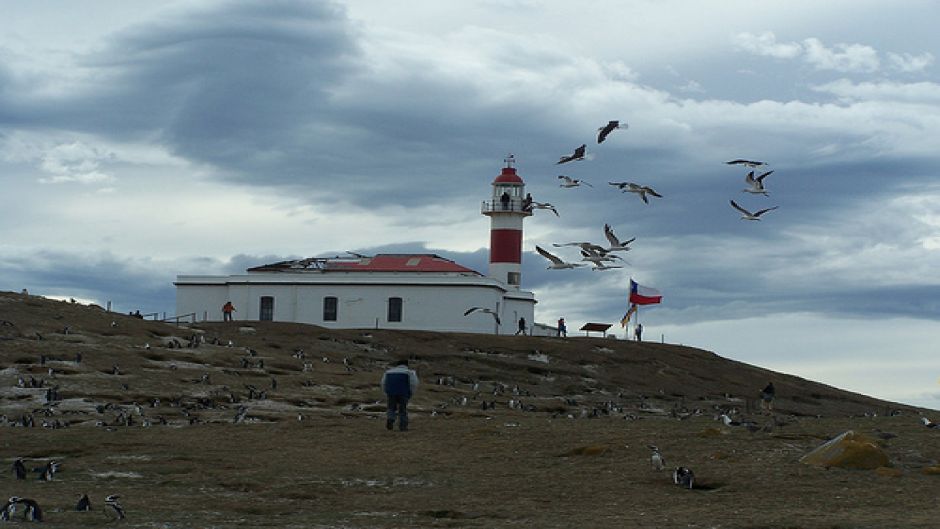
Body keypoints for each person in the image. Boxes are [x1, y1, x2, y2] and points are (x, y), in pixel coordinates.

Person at [381, 359, 419, 431]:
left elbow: (383, 383)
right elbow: (413, 384)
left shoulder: (388, 372)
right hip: (403, 392)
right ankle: (403, 426)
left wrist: (386, 392)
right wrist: (411, 393)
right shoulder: (409, 372)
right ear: (407, 365)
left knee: (391, 407)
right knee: (402, 409)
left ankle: (390, 418)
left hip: (391, 392)